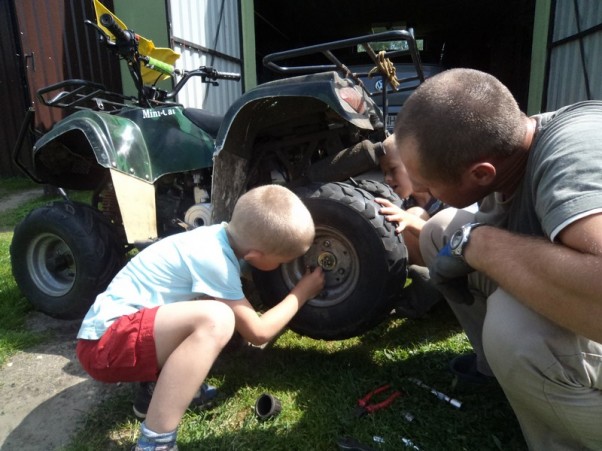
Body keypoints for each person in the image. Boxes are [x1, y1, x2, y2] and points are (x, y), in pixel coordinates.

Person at [393, 67, 602, 449]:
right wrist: (468, 240)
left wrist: (483, 244)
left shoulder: (572, 160)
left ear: (482, 173)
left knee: (516, 329)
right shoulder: (513, 149)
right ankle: (504, 377)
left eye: (425, 182)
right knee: (443, 228)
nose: (416, 188)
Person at [76, 184, 325, 451]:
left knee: (211, 307)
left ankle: (151, 395)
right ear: (255, 256)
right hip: (104, 347)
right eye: (283, 261)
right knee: (217, 319)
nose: (284, 266)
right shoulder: (214, 260)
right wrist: (302, 292)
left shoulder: (214, 237)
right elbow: (259, 331)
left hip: (113, 335)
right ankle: (155, 442)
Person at [375, 134, 445, 318]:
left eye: (393, 169)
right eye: (384, 173)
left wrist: (411, 221)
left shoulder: (445, 195)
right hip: (430, 266)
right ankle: (430, 285)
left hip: (455, 265)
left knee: (414, 215)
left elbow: (455, 239)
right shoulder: (404, 204)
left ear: (415, 164)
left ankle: (436, 287)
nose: (388, 179)